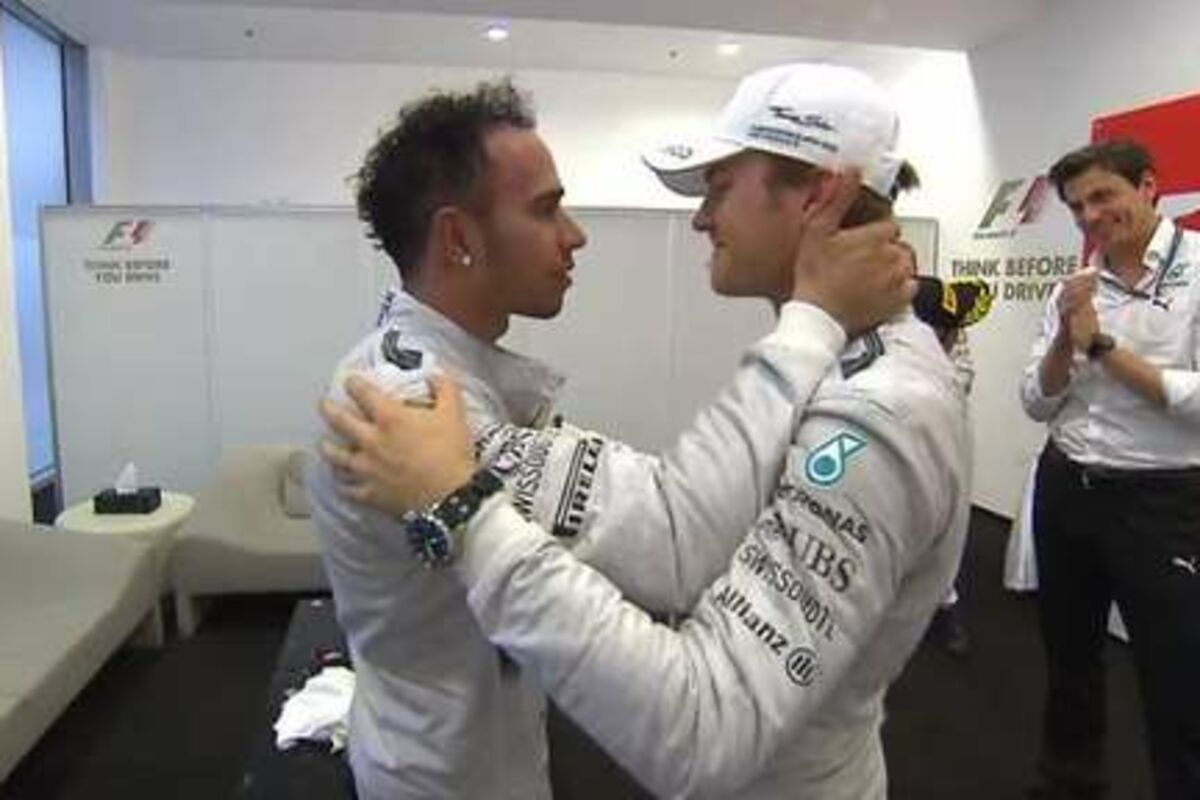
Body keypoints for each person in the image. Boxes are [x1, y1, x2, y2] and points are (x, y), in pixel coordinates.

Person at [320, 63, 970, 798]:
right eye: (547, 211)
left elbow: (683, 578)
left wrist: (811, 321)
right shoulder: (408, 402)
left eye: (719, 187)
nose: (700, 218)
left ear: (819, 197)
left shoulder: (879, 405)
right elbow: (675, 534)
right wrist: (811, 320)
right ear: (458, 238)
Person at [1020, 138, 1200, 800]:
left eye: (1104, 196)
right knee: (1069, 657)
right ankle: (1068, 784)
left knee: (1177, 673)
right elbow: (1036, 401)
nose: (1091, 216)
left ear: (1149, 186)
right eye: (1077, 207)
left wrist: (1099, 345)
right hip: (1067, 485)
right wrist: (1065, 341)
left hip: (1161, 502)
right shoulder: (1074, 288)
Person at [912, 274, 994, 656]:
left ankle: (945, 606)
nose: (945, 335)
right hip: (896, 437)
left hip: (947, 436)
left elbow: (962, 376)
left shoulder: (951, 329)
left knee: (945, 526)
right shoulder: (889, 331)